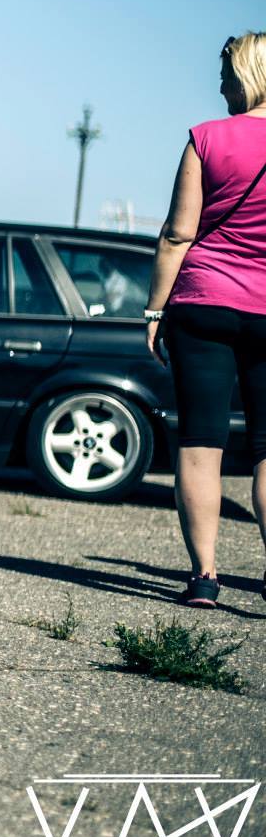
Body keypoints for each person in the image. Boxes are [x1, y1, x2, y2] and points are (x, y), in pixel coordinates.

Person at [146, 32, 266, 608]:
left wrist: (154, 309)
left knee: (200, 442)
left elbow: (178, 234)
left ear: (246, 78)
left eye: (225, 78)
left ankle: (205, 578)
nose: (220, 88)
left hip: (203, 302)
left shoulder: (206, 138)